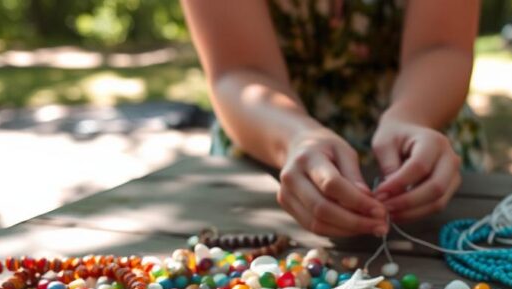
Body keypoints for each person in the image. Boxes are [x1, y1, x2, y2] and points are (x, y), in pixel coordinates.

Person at [182, 0, 485, 238]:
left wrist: (413, 116)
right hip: (264, 142)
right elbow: (237, 72)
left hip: (425, 149)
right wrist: (296, 137)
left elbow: (443, 47)